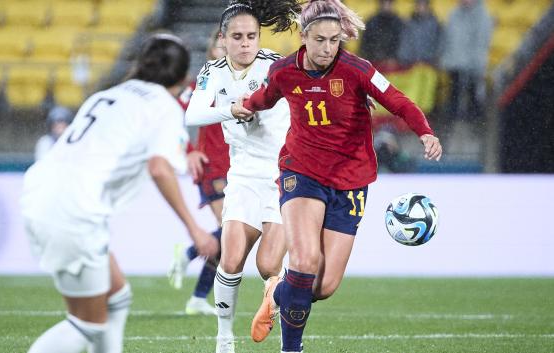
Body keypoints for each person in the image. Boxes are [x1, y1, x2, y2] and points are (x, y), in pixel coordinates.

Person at [231, 1, 443, 352]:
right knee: (305, 259)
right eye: (320, 40)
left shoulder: (357, 69)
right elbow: (266, 97)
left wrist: (425, 131)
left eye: (334, 40)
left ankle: (277, 292)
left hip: (351, 179)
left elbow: (398, 100)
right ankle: (291, 348)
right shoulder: (285, 71)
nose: (328, 48)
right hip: (302, 172)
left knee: (323, 286)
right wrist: (247, 105)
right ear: (303, 37)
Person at [20, 34, 219, 353]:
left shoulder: (109, 94)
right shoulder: (163, 106)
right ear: (183, 78)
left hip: (41, 190)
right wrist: (195, 229)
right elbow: (159, 168)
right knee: (85, 325)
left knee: (117, 297)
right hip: (74, 207)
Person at [185, 1, 300, 351]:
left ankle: (276, 303)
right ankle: (224, 338)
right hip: (244, 176)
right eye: (237, 36)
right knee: (231, 258)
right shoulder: (213, 71)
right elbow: (193, 115)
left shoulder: (276, 67)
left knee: (268, 265)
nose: (246, 43)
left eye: (252, 36)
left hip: (284, 176)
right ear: (223, 39)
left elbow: (313, 88)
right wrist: (230, 110)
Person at [167, 28, 229, 316]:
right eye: (220, 44)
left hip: (240, 167)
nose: (226, 48)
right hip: (213, 167)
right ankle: (190, 254)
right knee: (231, 231)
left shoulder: (249, 82)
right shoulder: (205, 82)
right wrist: (188, 148)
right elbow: (172, 114)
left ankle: (197, 298)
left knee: (233, 238)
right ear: (212, 50)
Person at [440, 0, 492, 129]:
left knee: (473, 92)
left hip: (473, 63)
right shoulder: (454, 14)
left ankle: (474, 122)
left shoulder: (483, 16)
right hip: (455, 62)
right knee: (455, 91)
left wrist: (475, 62)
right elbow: (448, 38)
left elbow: (481, 42)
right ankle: (454, 120)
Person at [359, 0, 404, 70]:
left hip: (394, 65)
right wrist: (375, 57)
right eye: (384, 3)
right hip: (375, 63)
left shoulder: (399, 23)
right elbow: (365, 45)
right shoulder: (371, 22)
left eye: (388, 3)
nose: (386, 6)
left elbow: (403, 43)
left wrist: (395, 58)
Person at [397, 0, 442, 67]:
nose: (421, 8)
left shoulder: (435, 23)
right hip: (412, 63)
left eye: (424, 5)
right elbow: (405, 43)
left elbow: (439, 42)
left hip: (429, 63)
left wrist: (435, 57)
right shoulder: (409, 24)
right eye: (419, 5)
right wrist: (405, 59)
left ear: (428, 7)